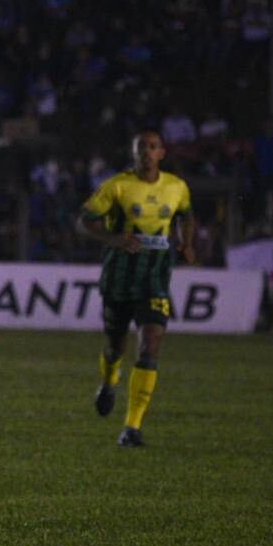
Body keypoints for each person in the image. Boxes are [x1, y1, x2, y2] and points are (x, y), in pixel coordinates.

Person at [78, 129, 196, 447]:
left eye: (152, 147)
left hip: (155, 280)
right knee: (115, 347)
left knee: (150, 345)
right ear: (133, 153)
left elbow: (186, 216)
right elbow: (85, 220)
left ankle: (131, 428)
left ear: (162, 153)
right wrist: (113, 239)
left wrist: (187, 243)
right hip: (119, 279)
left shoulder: (176, 187)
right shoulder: (117, 186)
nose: (147, 151)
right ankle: (109, 381)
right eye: (141, 147)